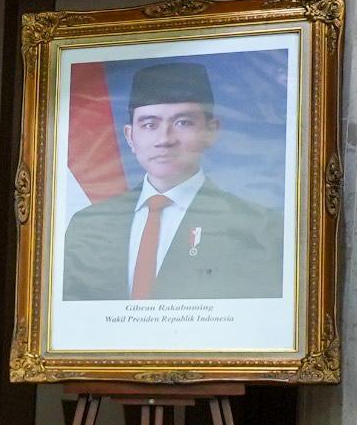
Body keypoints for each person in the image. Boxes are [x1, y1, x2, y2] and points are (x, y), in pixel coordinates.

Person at [59, 60, 285, 301]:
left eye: (182, 123)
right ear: (130, 136)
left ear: (212, 131)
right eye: (149, 124)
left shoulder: (257, 228)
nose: (164, 139)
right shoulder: (88, 225)